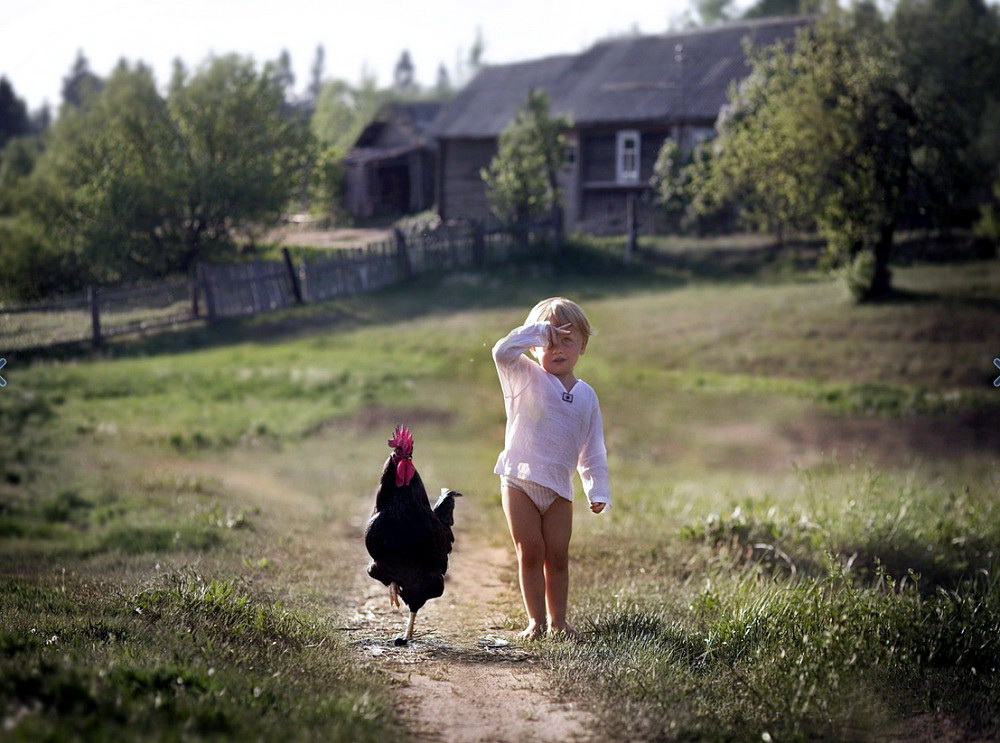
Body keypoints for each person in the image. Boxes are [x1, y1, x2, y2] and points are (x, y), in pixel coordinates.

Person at [491, 297, 611, 640]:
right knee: (531, 552)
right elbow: (501, 351)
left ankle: (559, 623)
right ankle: (536, 622)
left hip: (559, 488)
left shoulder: (587, 396)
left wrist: (597, 489)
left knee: (557, 557)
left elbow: (593, 449)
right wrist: (539, 331)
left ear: (583, 346)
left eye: (567, 340)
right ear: (534, 347)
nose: (557, 349)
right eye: (549, 341)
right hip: (519, 481)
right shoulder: (523, 375)